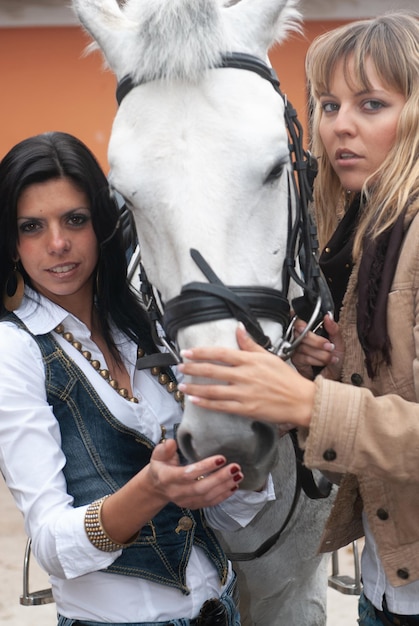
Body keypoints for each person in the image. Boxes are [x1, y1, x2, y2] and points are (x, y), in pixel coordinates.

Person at [176, 12, 419, 626]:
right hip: (386, 590)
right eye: (329, 104)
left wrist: (310, 405)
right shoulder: (373, 237)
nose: (341, 126)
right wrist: (340, 371)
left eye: (371, 103)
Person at [0, 131, 275, 626]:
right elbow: (52, 546)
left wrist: (240, 463)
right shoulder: (14, 350)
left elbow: (227, 517)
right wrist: (154, 488)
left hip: (221, 608)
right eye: (32, 226)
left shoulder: (144, 327)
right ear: (11, 243)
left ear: (101, 227)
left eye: (74, 220)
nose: (58, 243)